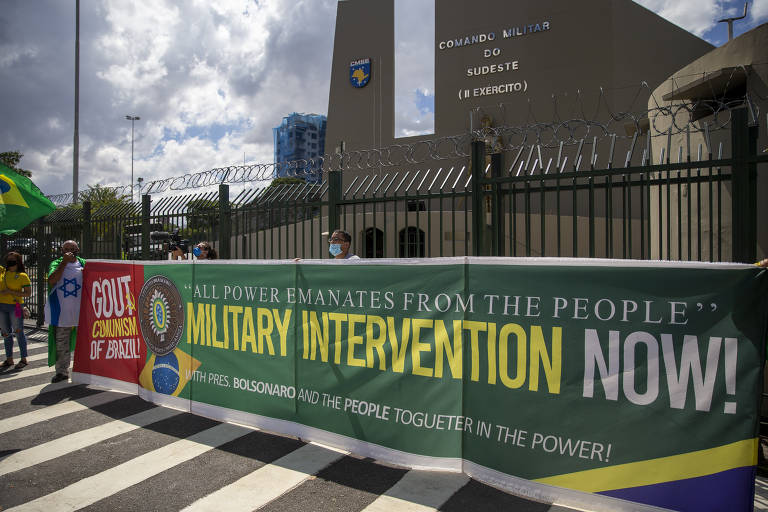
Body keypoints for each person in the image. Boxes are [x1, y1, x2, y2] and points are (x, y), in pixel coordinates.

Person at [44, 240, 86, 383]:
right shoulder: (56, 264)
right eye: (66, 249)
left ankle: (86, 371)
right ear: (61, 251)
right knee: (62, 344)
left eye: (72, 248)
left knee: (84, 344)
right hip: (62, 314)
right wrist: (64, 263)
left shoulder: (83, 264)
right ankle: (62, 371)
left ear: (77, 249)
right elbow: (52, 280)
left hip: (82, 313)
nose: (69, 251)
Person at [0, 252, 31, 370]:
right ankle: (9, 359)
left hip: (17, 306)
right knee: (5, 333)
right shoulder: (3, 272)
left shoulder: (22, 276)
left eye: (13, 260)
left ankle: (24, 358)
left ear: (18, 262)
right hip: (2, 306)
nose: (10, 263)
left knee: (19, 331)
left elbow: (27, 293)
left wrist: (11, 292)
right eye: (8, 260)